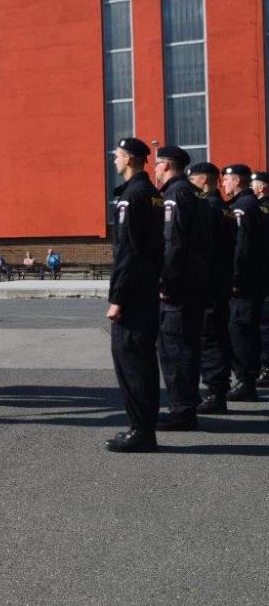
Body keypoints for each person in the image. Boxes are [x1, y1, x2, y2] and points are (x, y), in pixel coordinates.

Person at [103, 138, 163, 453]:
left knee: (132, 362)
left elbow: (129, 252)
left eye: (117, 155)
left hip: (133, 294)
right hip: (147, 288)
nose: (114, 160)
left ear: (128, 158)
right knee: (144, 360)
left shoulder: (132, 196)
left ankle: (140, 431)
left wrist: (118, 297)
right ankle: (144, 428)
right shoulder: (152, 194)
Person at [153, 146, 211, 431]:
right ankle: (188, 403)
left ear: (166, 165)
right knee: (187, 344)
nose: (154, 168)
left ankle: (182, 411)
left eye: (157, 163)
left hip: (179, 285)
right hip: (196, 280)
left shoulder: (175, 195)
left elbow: (172, 242)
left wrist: (166, 280)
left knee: (174, 348)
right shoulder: (196, 193)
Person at [187, 163, 236, 414]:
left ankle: (216, 393)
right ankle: (219, 389)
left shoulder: (208, 207)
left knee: (210, 339)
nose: (190, 184)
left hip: (209, 283)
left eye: (193, 179)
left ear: (204, 179)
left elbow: (203, 247)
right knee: (219, 335)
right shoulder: (225, 208)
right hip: (222, 281)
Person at [221, 164, 267, 402]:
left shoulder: (242, 208)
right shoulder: (254, 205)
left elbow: (241, 248)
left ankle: (245, 383)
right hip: (256, 280)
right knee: (248, 330)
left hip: (244, 283)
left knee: (240, 332)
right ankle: (248, 379)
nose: (223, 184)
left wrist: (235, 278)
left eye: (226, 180)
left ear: (237, 181)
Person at [252, 171, 269, 388]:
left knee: (264, 324)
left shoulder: (261, 208)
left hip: (262, 273)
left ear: (262, 188)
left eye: (253, 185)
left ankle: (266, 368)